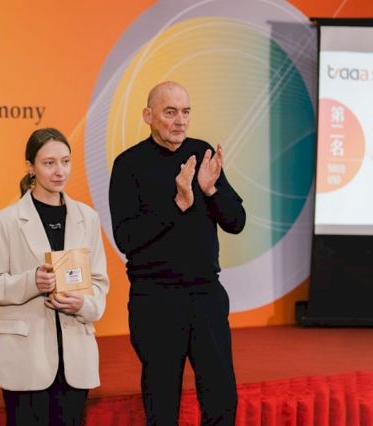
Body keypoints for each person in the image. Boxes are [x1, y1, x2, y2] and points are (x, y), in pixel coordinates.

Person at [108, 81, 246, 425]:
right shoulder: (128, 165)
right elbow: (127, 238)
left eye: (185, 111)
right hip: (155, 299)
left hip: (205, 295)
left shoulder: (202, 154)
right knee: (162, 404)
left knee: (221, 398)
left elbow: (236, 221)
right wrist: (177, 204)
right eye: (170, 112)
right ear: (148, 116)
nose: (180, 120)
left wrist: (211, 190)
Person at [0, 128, 109, 426]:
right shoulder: (7, 220)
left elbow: (100, 283)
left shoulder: (87, 217)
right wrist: (31, 282)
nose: (59, 171)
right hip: (26, 357)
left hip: (76, 356)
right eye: (49, 163)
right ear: (30, 166)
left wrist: (83, 305)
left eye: (65, 161)